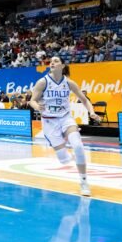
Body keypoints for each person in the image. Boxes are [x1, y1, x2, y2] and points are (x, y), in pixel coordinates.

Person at [29, 56, 100, 196]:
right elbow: (32, 101)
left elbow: (85, 100)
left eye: (56, 61)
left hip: (65, 118)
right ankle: (66, 152)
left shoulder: (69, 83)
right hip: (49, 122)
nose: (52, 62)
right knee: (64, 160)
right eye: (51, 61)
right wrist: (38, 106)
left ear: (62, 66)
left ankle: (84, 181)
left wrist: (91, 112)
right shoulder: (42, 82)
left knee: (78, 146)